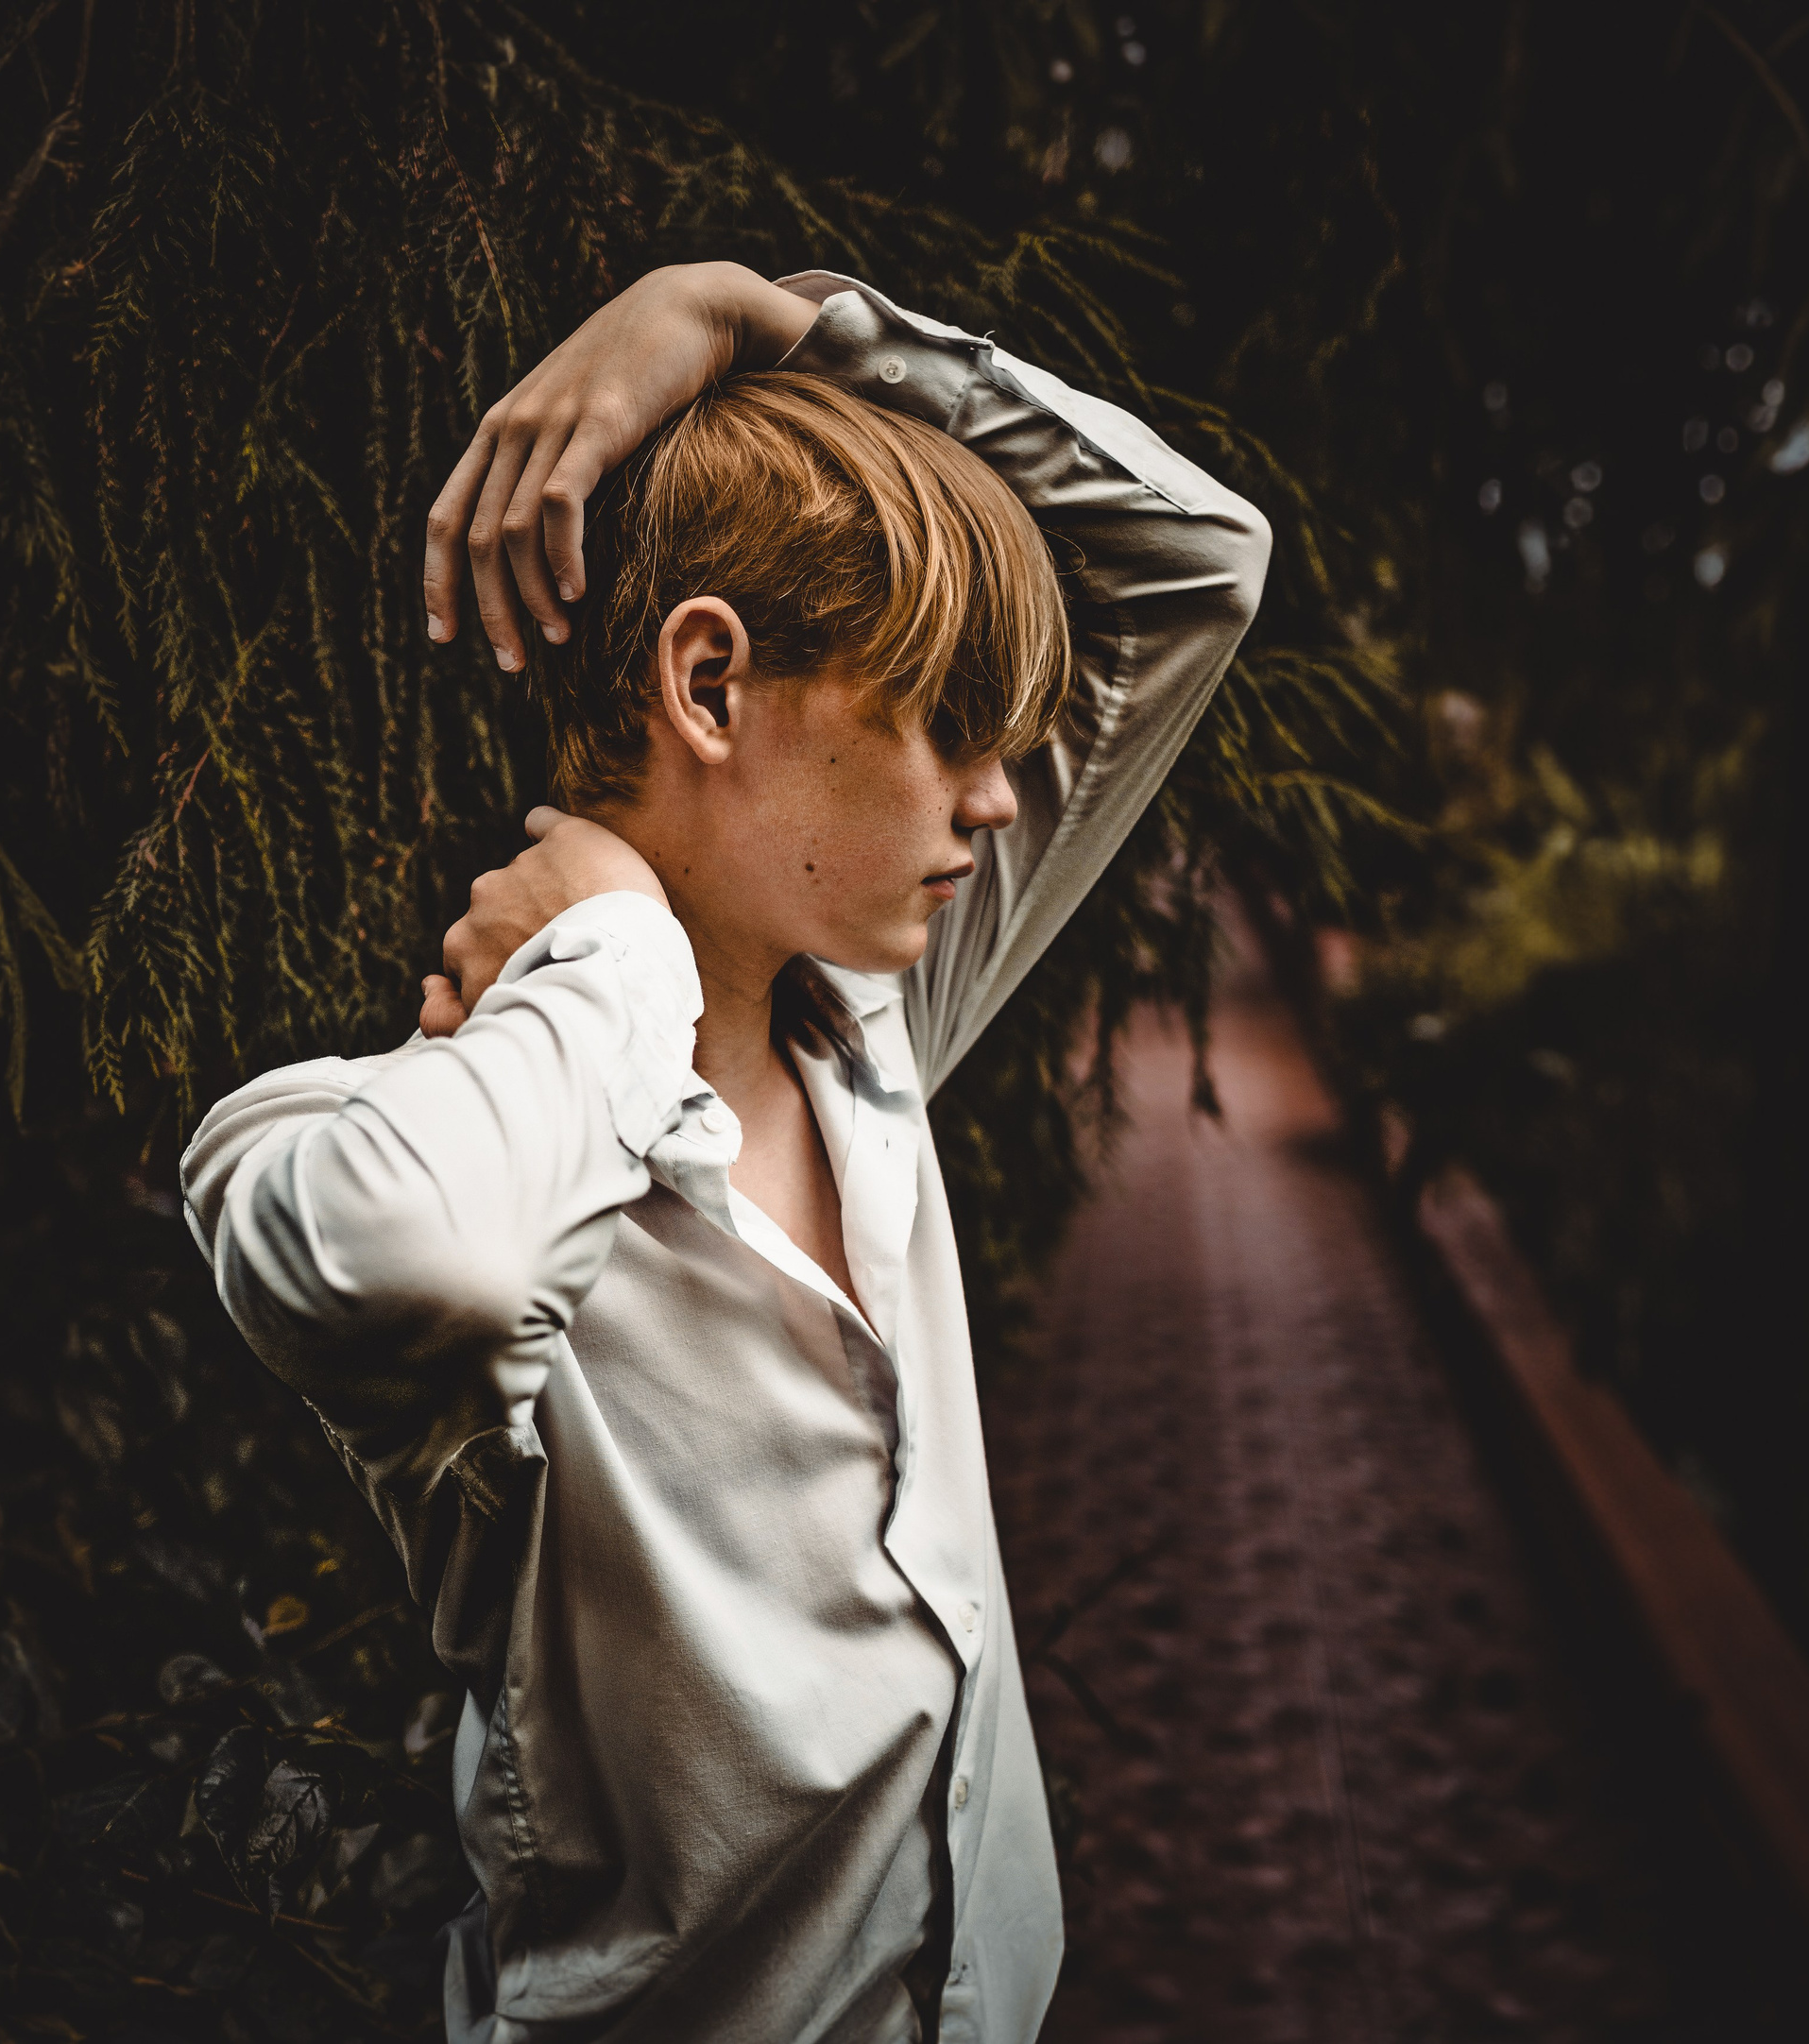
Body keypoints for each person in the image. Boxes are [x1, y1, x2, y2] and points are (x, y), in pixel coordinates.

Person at [179, 261, 1270, 2043]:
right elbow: (418, 1265)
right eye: (948, 725)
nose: (1001, 799)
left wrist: (761, 316)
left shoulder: (879, 1026)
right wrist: (609, 931)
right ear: (709, 682)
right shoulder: (385, 1136)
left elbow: (1200, 561)